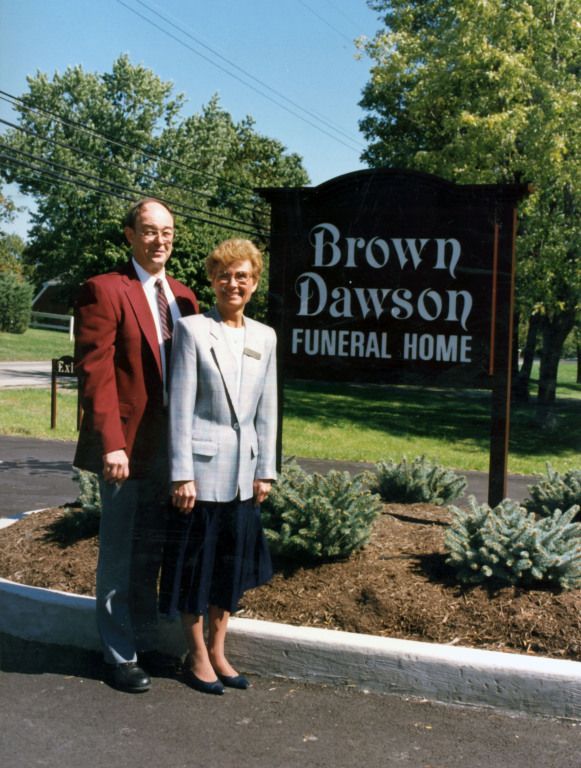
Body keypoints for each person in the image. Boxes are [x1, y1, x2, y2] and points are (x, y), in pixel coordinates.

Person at [73, 198, 199, 693]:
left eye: (167, 232)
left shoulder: (185, 298)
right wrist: (112, 443)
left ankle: (143, 642)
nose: (159, 241)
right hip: (124, 451)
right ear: (129, 235)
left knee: (153, 552)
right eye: (149, 231)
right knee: (121, 553)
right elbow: (95, 371)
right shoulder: (104, 290)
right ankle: (119, 655)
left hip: (174, 451)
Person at [160, 238, 277, 695]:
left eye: (243, 276)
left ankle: (220, 649)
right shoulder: (191, 331)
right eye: (225, 275)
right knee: (195, 567)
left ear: (255, 283)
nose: (234, 283)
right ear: (213, 280)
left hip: (244, 477)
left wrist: (264, 468)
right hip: (201, 475)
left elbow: (267, 410)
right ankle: (197, 655)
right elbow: (180, 408)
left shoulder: (265, 336)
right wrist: (181, 473)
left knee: (229, 570)